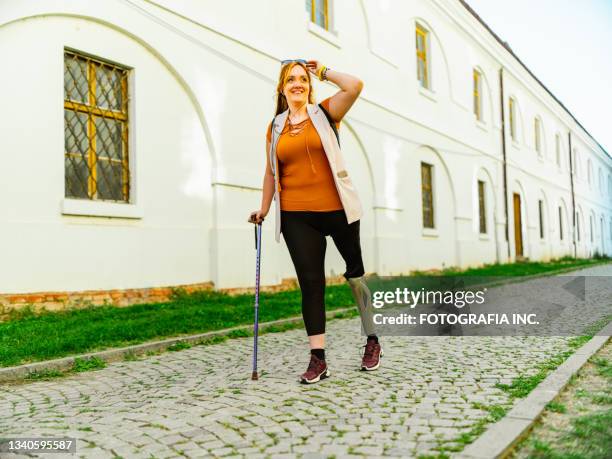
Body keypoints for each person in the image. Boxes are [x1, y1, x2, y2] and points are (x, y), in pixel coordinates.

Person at [248, 59, 382, 384]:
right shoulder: (275, 127)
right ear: (282, 87)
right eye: (291, 79)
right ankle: (318, 358)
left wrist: (321, 70)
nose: (297, 84)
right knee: (311, 284)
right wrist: (264, 208)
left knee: (355, 275)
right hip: (297, 215)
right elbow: (270, 171)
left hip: (338, 209)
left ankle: (372, 338)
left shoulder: (325, 113)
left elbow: (354, 85)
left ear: (309, 86)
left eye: (302, 79)